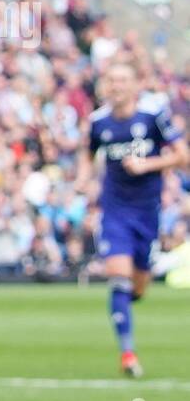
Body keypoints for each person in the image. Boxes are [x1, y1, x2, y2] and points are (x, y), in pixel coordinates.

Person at [76, 61, 187, 377]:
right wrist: (83, 179)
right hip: (114, 210)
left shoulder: (153, 116)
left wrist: (148, 164)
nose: (117, 86)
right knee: (118, 276)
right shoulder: (98, 122)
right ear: (105, 85)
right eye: (112, 80)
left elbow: (182, 155)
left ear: (136, 84)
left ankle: (127, 301)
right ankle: (127, 353)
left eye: (123, 80)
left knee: (138, 286)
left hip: (147, 212)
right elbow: (88, 154)